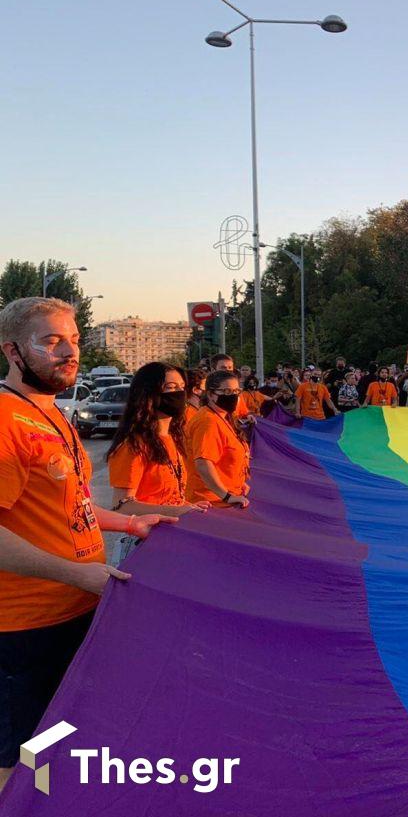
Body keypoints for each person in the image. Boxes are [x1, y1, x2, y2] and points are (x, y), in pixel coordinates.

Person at [0, 298, 176, 792]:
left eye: (74, 339)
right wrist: (80, 574)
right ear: (13, 350)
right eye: (52, 341)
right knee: (19, 756)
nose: (69, 352)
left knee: (53, 746)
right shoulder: (6, 420)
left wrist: (132, 527)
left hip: (76, 608)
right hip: (24, 627)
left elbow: (69, 506)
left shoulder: (53, 415)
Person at [107, 363, 211, 562]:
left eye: (181, 388)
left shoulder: (173, 438)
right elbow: (121, 507)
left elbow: (169, 497)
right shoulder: (134, 445)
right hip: (143, 544)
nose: (179, 394)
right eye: (170, 388)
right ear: (149, 394)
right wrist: (178, 511)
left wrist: (192, 508)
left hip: (171, 539)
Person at [184, 370, 250, 507]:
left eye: (237, 391)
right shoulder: (208, 422)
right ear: (210, 394)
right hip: (210, 502)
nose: (233, 395)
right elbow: (203, 463)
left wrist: (238, 482)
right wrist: (226, 495)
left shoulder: (222, 417)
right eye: (226, 391)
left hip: (223, 497)